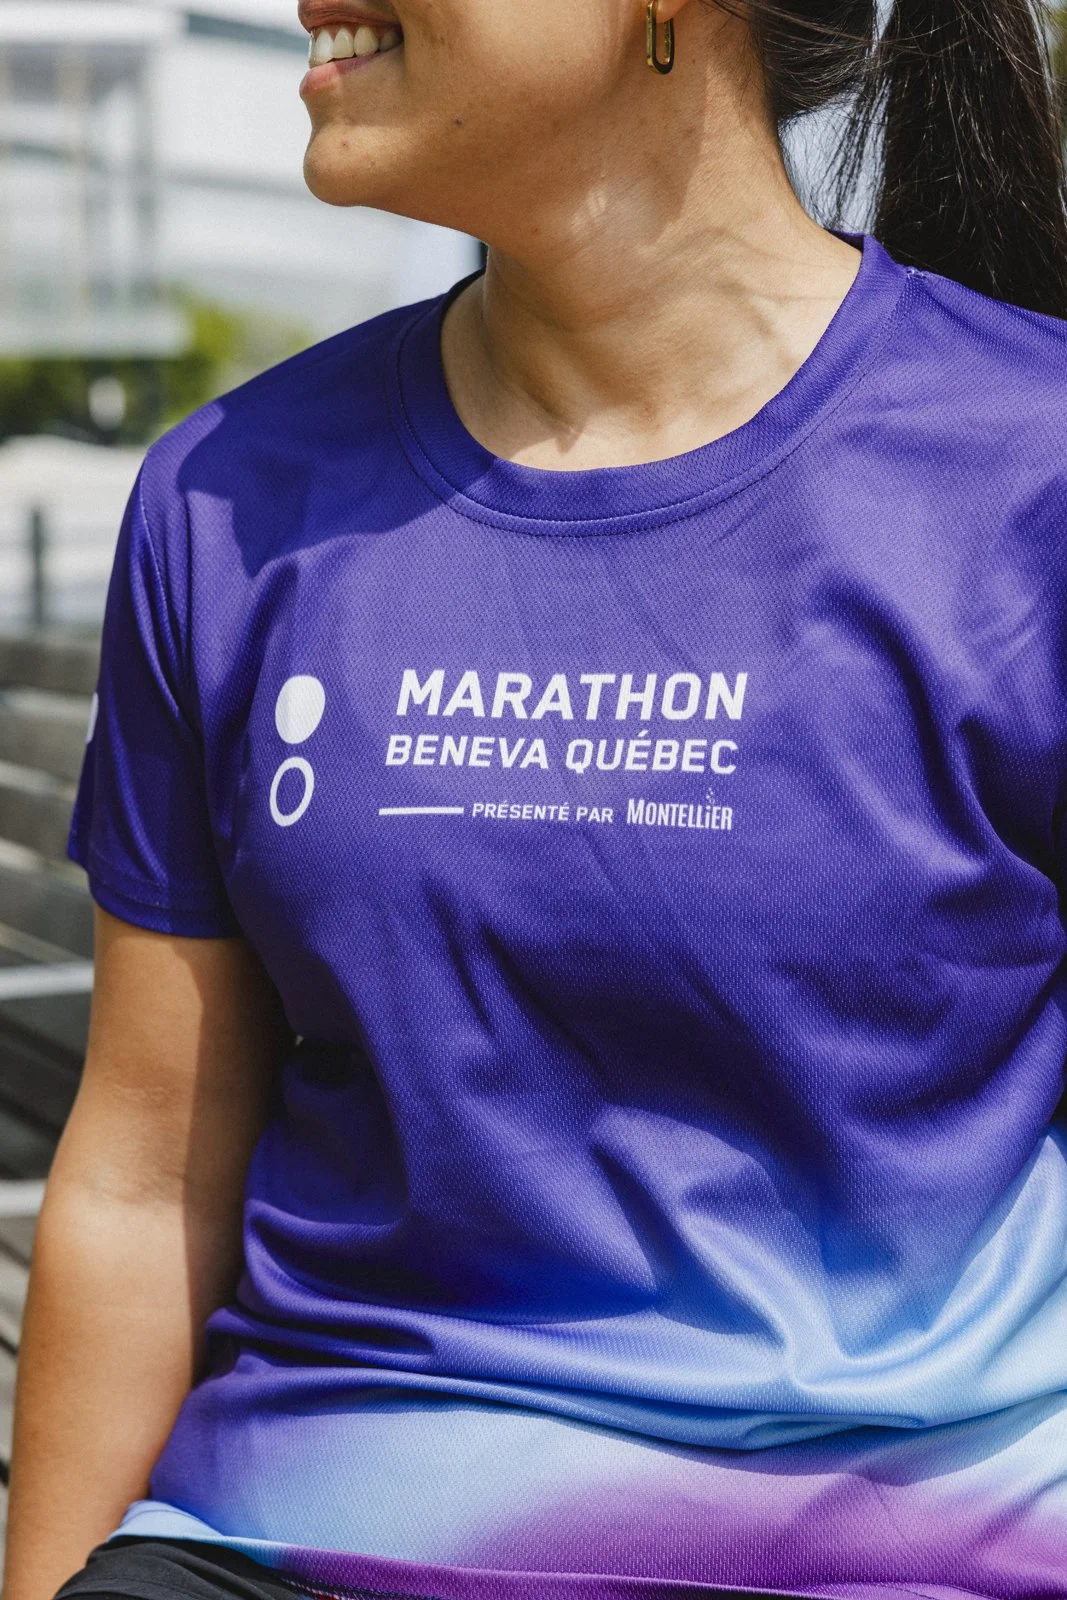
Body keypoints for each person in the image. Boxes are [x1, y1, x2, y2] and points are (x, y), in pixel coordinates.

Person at [6, 0, 1067, 1593]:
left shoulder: (1024, 471)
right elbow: (149, 1162)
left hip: (894, 1549)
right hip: (305, 1528)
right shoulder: (230, 496)